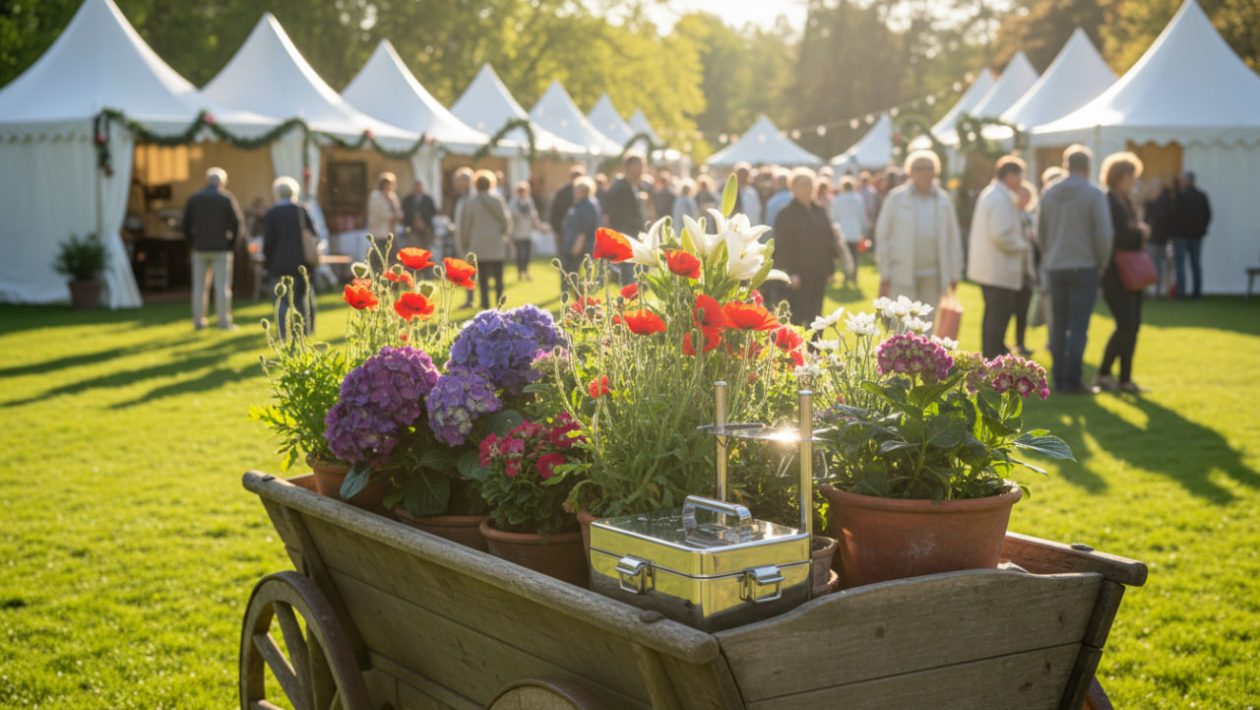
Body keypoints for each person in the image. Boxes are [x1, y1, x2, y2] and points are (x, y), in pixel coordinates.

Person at [1037, 144, 1114, 394]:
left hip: (1056, 265)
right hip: (1084, 266)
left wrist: (1050, 254)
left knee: (1058, 325)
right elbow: (1104, 234)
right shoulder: (1094, 194)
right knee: (1078, 326)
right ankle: (1073, 378)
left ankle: (1059, 377)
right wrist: (1102, 262)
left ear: (1065, 165)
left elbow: (1041, 231)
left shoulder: (1049, 192)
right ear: (1088, 167)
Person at [874, 150, 963, 308]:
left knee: (927, 320)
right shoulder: (895, 198)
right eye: (919, 168)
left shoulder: (944, 200)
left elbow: (953, 238)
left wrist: (954, 272)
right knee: (902, 320)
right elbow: (883, 236)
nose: (924, 172)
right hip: (902, 272)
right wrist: (885, 272)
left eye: (929, 168)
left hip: (933, 275)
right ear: (910, 171)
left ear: (936, 171)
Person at [1096, 152, 1149, 394]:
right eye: (1132, 176)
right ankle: (1105, 373)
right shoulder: (1108, 200)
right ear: (1119, 177)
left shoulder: (1125, 200)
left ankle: (1124, 378)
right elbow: (1119, 237)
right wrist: (1140, 233)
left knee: (1133, 326)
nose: (1135, 180)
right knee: (1125, 324)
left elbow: (1128, 232)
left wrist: (1136, 231)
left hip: (1131, 272)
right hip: (1115, 274)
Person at [967, 156, 1029, 359]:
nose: (1021, 181)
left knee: (994, 317)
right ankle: (992, 359)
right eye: (1019, 176)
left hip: (992, 269)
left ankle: (990, 357)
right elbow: (1001, 235)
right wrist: (1024, 246)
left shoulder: (995, 194)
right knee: (998, 318)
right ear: (1009, 176)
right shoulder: (999, 198)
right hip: (997, 269)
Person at [182, 167, 244, 330]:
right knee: (222, 286)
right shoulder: (225, 198)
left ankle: (198, 321)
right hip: (220, 248)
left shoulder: (194, 199)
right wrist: (231, 245)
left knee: (199, 287)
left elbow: (185, 225)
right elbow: (237, 224)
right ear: (222, 182)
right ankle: (223, 321)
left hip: (199, 248)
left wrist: (192, 243)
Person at [775, 169, 838, 326]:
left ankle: (816, 343)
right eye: (803, 184)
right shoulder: (786, 213)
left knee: (816, 317)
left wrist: (830, 269)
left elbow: (828, 241)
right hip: (799, 275)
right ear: (793, 187)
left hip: (818, 272)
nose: (807, 187)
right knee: (797, 318)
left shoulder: (820, 211)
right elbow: (782, 246)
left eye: (810, 183)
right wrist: (790, 272)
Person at [262, 176, 318, 338]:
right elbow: (313, 234)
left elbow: (268, 242)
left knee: (281, 300)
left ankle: (284, 333)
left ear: (276, 193)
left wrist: (267, 261)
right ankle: (305, 332)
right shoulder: (301, 210)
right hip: (301, 262)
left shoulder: (272, 213)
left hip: (278, 263)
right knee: (303, 298)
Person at [459, 170, 511, 310]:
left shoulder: (470, 202)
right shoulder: (497, 200)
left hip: (478, 246)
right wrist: (503, 234)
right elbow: (506, 222)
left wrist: (465, 243)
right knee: (499, 278)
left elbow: (465, 225)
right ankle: (500, 304)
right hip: (496, 244)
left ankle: (485, 304)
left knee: (482, 279)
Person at [604, 153, 646, 282]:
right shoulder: (621, 187)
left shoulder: (631, 185)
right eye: (640, 166)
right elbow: (620, 216)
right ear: (630, 167)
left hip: (631, 236)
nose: (642, 170)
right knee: (627, 277)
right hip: (626, 238)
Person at [1170, 170, 1211, 299]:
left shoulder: (1180, 196)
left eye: (1182, 179)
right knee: (1194, 265)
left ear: (1189, 181)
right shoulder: (1201, 195)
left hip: (1183, 236)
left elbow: (1172, 214)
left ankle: (1182, 293)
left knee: (1183, 265)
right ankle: (1195, 293)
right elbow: (1208, 215)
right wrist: (1201, 230)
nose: (1180, 182)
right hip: (1194, 236)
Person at [1012, 181, 1040, 356]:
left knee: (1023, 311)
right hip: (1013, 271)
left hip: (1027, 272)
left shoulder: (1031, 218)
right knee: (1009, 310)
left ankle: (1020, 342)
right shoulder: (1011, 216)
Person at [561, 176, 599, 290]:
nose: (574, 192)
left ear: (583, 191)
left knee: (574, 269)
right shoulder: (579, 204)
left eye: (576, 189)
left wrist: (578, 243)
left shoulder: (588, 205)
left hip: (580, 244)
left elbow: (585, 227)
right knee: (568, 269)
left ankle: (574, 292)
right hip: (572, 241)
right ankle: (569, 291)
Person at [831, 176, 869, 279]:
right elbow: (862, 216)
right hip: (855, 231)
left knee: (844, 255)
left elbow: (833, 216)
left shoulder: (838, 200)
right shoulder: (858, 199)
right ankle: (854, 276)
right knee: (854, 255)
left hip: (842, 231)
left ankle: (846, 276)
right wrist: (864, 230)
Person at [1143, 178, 1174, 297]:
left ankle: (1160, 289)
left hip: (1162, 240)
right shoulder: (1151, 204)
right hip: (1154, 239)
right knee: (1155, 266)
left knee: (1161, 266)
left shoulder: (1165, 203)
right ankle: (1155, 289)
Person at [450, 166, 475, 306]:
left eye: (459, 180)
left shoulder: (472, 197)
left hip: (470, 240)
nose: (457, 183)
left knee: (470, 270)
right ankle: (469, 298)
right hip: (462, 238)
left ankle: (471, 299)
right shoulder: (462, 196)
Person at [509, 181, 542, 282]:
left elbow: (533, 214)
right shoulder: (513, 202)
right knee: (519, 253)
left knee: (527, 253)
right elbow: (510, 215)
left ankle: (526, 271)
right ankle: (520, 272)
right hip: (517, 232)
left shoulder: (529, 201)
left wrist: (538, 225)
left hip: (527, 231)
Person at [401, 179, 437, 251]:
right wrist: (414, 221)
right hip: (412, 228)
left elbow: (433, 212)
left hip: (426, 228)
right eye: (416, 186)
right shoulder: (408, 199)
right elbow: (404, 212)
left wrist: (424, 222)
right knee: (415, 248)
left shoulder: (428, 199)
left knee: (426, 249)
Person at [367, 171, 402, 243]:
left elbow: (398, 210)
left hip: (392, 230)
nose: (388, 186)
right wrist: (393, 216)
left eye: (390, 184)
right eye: (386, 184)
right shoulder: (375, 196)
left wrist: (399, 215)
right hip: (380, 231)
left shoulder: (392, 196)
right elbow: (378, 213)